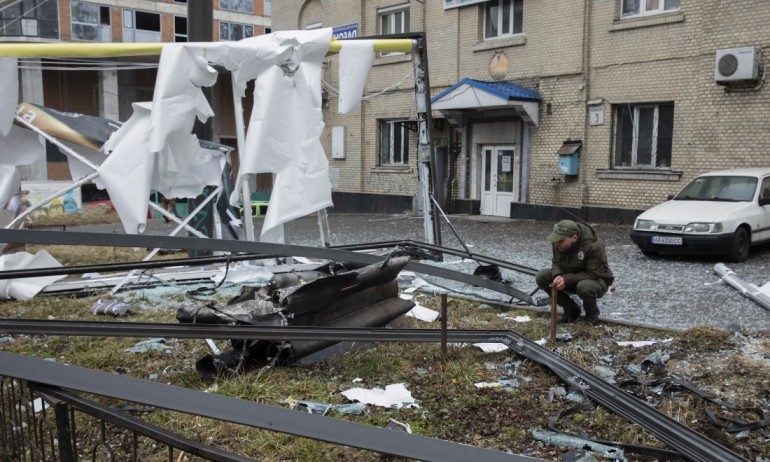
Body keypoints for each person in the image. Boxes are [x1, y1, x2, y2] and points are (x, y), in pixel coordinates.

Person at [535, 219, 614, 325]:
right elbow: (556, 262)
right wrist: (557, 275)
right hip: (570, 278)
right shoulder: (558, 243)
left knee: (585, 287)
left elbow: (594, 273)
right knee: (542, 276)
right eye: (556, 240)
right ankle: (571, 309)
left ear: (574, 238)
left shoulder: (594, 246)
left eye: (561, 241)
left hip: (596, 281)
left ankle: (592, 314)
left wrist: (566, 279)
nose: (556, 243)